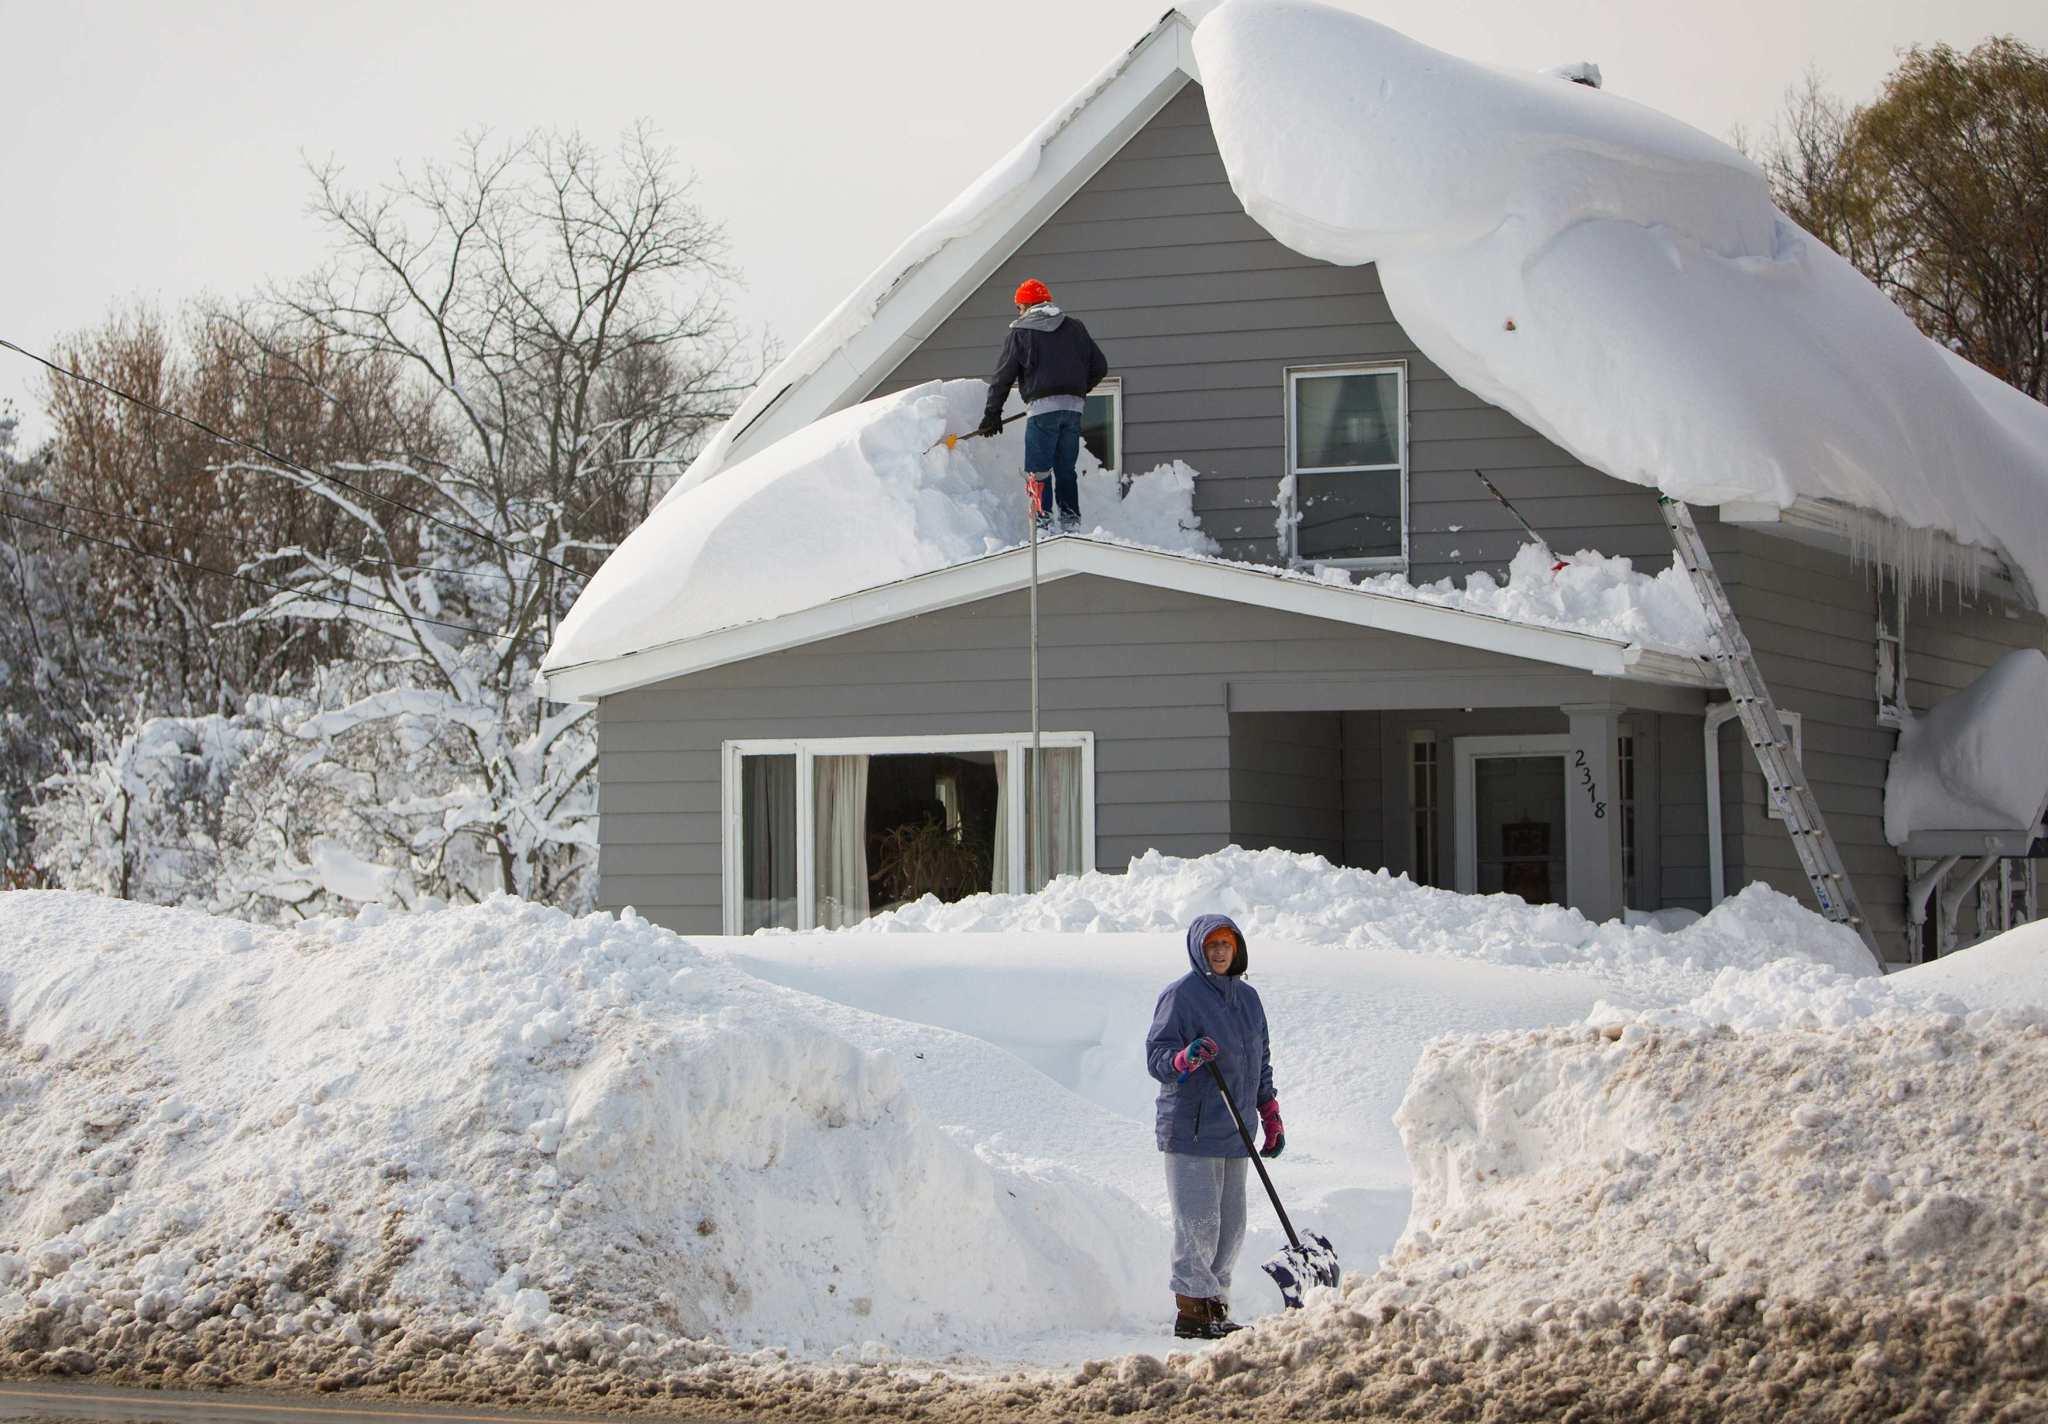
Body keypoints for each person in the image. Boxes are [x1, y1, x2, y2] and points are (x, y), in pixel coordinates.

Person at [1144, 913, 1284, 1340]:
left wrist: (1269, 1110)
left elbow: (1258, 1058)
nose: (1220, 952)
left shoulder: (1249, 999)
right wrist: (1184, 1059)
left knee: (1230, 1226)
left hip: (1235, 1128)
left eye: (1227, 943)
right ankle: (1192, 1312)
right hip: (1192, 1128)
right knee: (1198, 1224)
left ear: (1237, 948)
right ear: (1198, 950)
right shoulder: (1181, 996)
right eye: (1212, 946)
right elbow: (1157, 1058)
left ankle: (1217, 1306)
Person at [976, 278, 1110, 534]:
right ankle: (1071, 522)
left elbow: (1002, 377)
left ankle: (1042, 523)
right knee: (1065, 468)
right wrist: (1077, 391)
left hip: (1042, 411)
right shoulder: (1075, 328)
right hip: (1073, 409)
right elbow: (1100, 367)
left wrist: (992, 415)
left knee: (1038, 470)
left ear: (1025, 306)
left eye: (1019, 307)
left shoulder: (1021, 332)